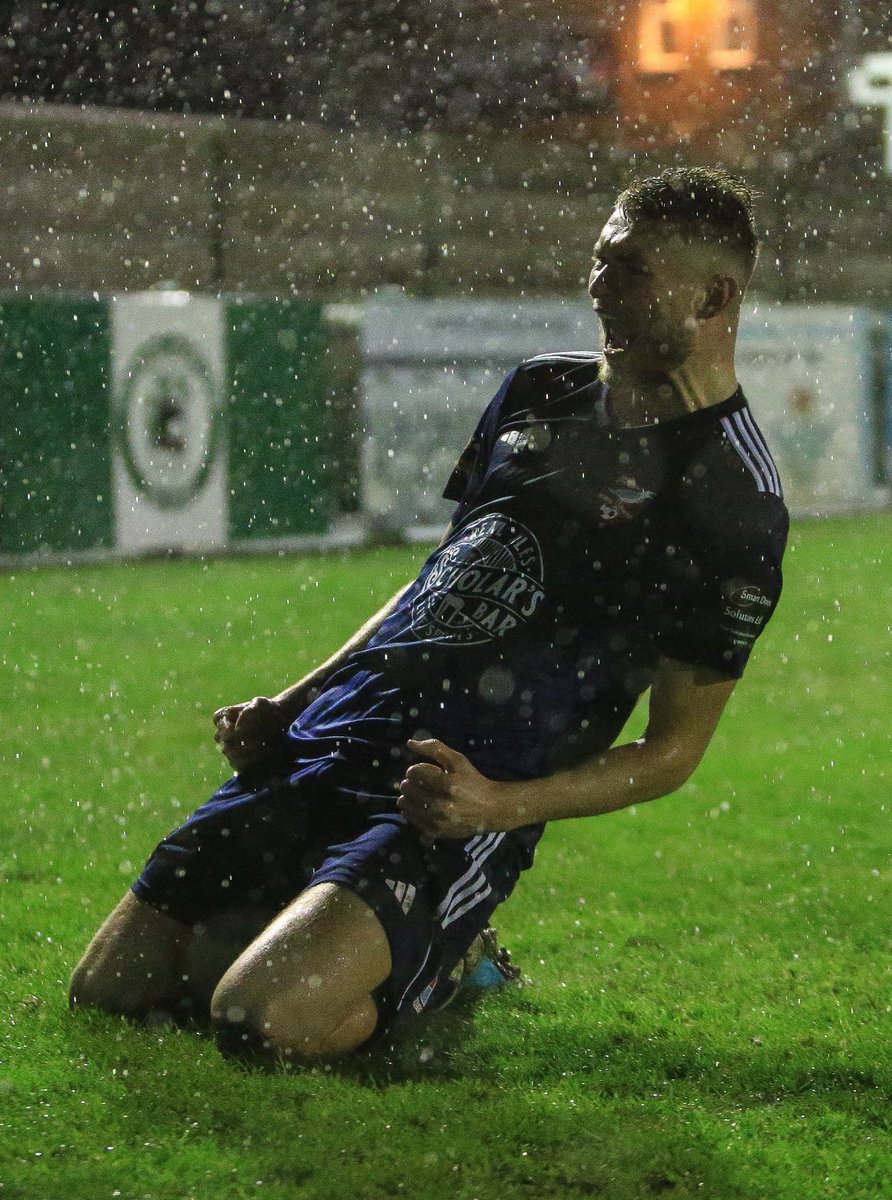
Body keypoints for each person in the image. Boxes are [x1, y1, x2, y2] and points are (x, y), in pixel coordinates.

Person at [69, 166, 788, 1062]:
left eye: (632, 270)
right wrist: (290, 705)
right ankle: (343, 934)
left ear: (715, 294)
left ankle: (445, 971)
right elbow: (442, 579)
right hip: (337, 733)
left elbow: (673, 751)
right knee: (107, 995)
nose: (598, 286)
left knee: (259, 1024)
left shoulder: (731, 497)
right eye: (601, 260)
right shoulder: (536, 391)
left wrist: (499, 806)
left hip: (447, 793)